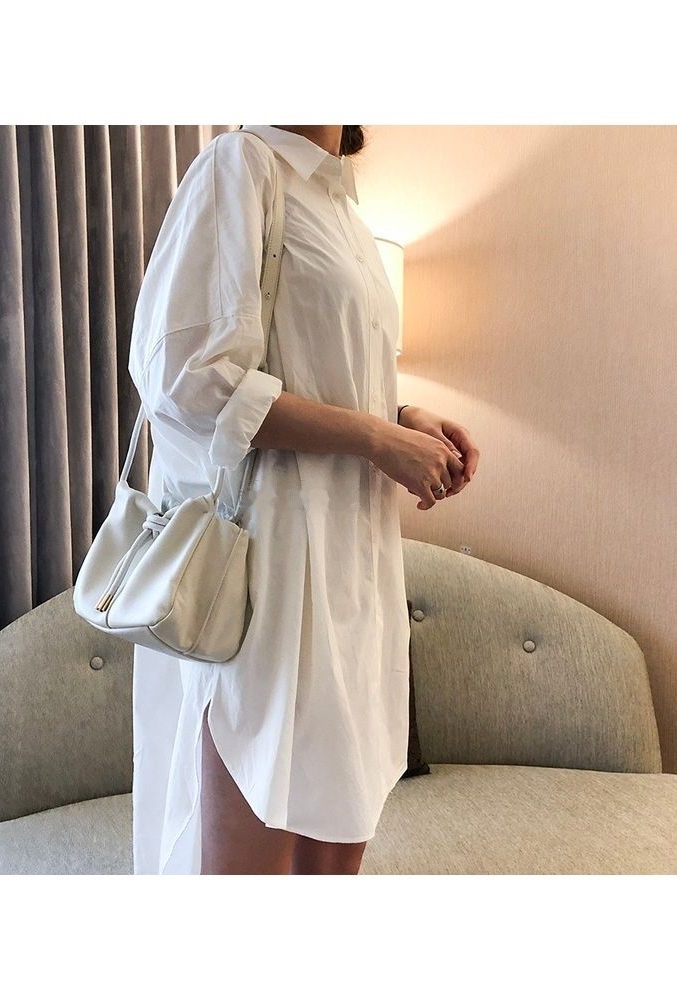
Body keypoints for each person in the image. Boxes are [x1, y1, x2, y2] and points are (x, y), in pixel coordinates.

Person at [127, 125, 480, 875]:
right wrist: (376, 439)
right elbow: (188, 379)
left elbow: (319, 373)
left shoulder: (342, 208)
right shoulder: (240, 167)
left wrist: (401, 417)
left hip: (355, 578)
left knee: (331, 866)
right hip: (271, 580)